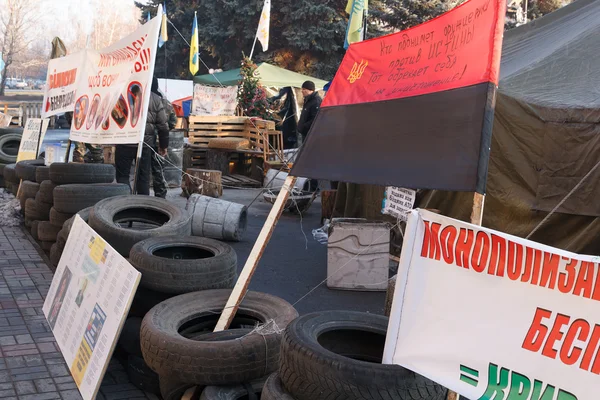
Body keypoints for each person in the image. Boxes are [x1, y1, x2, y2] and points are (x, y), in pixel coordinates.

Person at [115, 77, 169, 195]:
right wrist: (163, 145)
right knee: (143, 178)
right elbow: (163, 125)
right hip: (145, 144)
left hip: (124, 141)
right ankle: (142, 206)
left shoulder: (121, 93)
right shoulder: (155, 98)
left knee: (123, 176)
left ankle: (123, 204)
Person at [150, 83, 177, 198]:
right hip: (160, 142)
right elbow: (173, 122)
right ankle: (160, 197)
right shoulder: (166, 103)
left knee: (142, 170)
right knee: (158, 170)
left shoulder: (143, 99)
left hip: (146, 141)